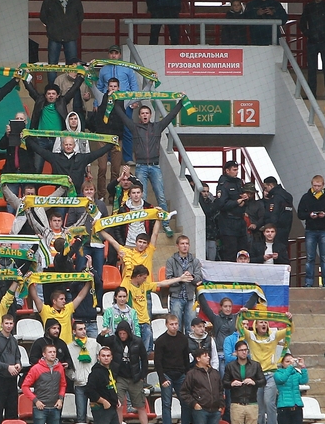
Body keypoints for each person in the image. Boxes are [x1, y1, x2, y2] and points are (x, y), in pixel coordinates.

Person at [117, 100, 186, 236]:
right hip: (141, 166)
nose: (144, 115)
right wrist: (114, 100)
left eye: (147, 113)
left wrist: (181, 102)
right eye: (142, 113)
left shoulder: (158, 126)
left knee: (161, 196)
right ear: (139, 116)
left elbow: (171, 116)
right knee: (141, 197)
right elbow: (122, 116)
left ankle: (166, 224)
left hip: (155, 166)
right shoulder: (135, 127)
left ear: (150, 115)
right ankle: (142, 225)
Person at [241, 315, 293, 424]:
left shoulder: (273, 336)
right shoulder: (251, 336)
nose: (264, 324)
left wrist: (290, 320)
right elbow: (240, 329)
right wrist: (241, 315)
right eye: (261, 322)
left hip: (271, 374)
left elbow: (289, 330)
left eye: (265, 322)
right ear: (256, 325)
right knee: (259, 407)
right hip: (256, 376)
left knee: (269, 403)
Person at [23, 75, 85, 172]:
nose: (51, 95)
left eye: (53, 93)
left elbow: (73, 90)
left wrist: (80, 77)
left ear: (58, 95)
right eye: (49, 94)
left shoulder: (62, 101)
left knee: (58, 169)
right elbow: (31, 89)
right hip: (41, 140)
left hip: (57, 140)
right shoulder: (40, 100)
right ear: (45, 95)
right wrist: (24, 76)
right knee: (37, 168)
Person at [101, 320, 151, 424]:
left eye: (124, 333)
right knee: (118, 405)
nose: (122, 336)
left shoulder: (137, 341)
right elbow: (101, 341)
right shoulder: (114, 340)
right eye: (120, 333)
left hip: (135, 378)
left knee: (140, 406)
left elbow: (144, 359)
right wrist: (102, 334)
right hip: (119, 377)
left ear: (128, 332)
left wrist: (142, 376)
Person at [29, 134, 115, 196]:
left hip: (77, 194)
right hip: (60, 195)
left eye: (70, 144)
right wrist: (27, 139)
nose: (68, 146)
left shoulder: (82, 158)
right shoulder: (55, 157)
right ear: (62, 145)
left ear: (74, 145)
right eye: (66, 144)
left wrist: (111, 144)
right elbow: (40, 151)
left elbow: (98, 153)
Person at [21, 344, 67, 424]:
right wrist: (36, 401)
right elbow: (25, 386)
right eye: (50, 352)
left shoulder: (59, 367)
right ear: (44, 354)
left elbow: (63, 384)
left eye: (54, 352)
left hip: (55, 407)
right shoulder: (36, 368)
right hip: (40, 407)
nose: (53, 354)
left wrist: (60, 399)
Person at [39, 0, 84, 83]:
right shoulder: (49, 0)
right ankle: (52, 88)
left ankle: (71, 88)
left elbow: (80, 16)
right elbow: (43, 16)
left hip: (71, 36)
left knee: (72, 65)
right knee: (52, 65)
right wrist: (52, 27)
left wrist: (71, 26)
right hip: (54, 36)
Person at [153, 314, 190, 424]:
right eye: (171, 324)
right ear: (166, 325)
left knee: (185, 402)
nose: (174, 327)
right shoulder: (161, 341)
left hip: (181, 374)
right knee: (166, 403)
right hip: (167, 374)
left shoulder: (183, 338)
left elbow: (186, 358)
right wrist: (162, 378)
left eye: (176, 324)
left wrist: (187, 374)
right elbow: (157, 362)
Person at [223, 340, 265, 424]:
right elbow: (224, 383)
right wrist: (231, 383)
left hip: (252, 403)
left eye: (245, 350)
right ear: (236, 352)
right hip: (237, 404)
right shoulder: (230, 366)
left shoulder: (255, 365)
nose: (244, 352)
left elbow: (263, 381)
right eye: (241, 350)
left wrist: (254, 382)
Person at [297, 174, 325, 287]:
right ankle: (308, 282)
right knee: (310, 258)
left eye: (319, 186)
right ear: (312, 184)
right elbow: (300, 214)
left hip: (324, 230)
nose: (317, 188)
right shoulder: (306, 197)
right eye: (315, 186)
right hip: (310, 230)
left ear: (323, 185)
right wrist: (309, 215)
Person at [181, 346, 224, 424]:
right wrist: (194, 404)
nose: (208, 357)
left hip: (215, 410)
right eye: (205, 356)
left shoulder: (215, 373)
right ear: (198, 358)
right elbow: (184, 392)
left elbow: (220, 390)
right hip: (201, 410)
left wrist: (220, 405)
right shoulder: (192, 374)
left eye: (208, 355)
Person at [30, 281, 92, 346]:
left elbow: (80, 296)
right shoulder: (46, 310)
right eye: (61, 299)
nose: (64, 301)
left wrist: (89, 282)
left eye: (64, 299)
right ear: (54, 301)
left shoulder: (68, 308)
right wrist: (30, 282)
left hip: (68, 346)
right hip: (51, 346)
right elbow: (35, 297)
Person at [165, 235, 204, 331]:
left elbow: (199, 278)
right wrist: (181, 279)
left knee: (191, 327)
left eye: (187, 243)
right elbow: (168, 279)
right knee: (175, 327)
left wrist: (191, 276)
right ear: (177, 246)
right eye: (182, 243)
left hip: (190, 297)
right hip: (176, 297)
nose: (185, 246)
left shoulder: (195, 261)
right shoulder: (171, 261)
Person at [85, 345, 120, 424]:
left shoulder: (111, 370)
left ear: (111, 357)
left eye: (108, 356)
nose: (106, 358)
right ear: (98, 357)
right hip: (100, 408)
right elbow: (89, 391)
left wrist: (116, 399)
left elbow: (110, 387)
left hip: (112, 407)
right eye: (103, 355)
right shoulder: (95, 373)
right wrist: (103, 401)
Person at [215, 163, 250, 261]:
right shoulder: (223, 185)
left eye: (237, 170)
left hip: (240, 221)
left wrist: (244, 200)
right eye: (234, 170)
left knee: (243, 251)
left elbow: (240, 198)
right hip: (228, 222)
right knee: (230, 251)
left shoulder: (238, 182)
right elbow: (221, 204)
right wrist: (236, 202)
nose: (236, 172)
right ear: (227, 170)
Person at [68, 319, 100, 424]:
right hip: (79, 384)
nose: (84, 331)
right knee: (81, 415)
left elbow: (102, 359)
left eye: (84, 329)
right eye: (80, 329)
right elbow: (67, 367)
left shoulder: (94, 343)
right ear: (74, 332)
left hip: (93, 384)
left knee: (96, 414)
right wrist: (74, 377)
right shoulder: (69, 347)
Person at [273, 352, 307, 424]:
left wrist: (303, 367)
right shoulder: (278, 373)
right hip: (284, 408)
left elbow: (304, 380)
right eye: (287, 362)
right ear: (282, 363)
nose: (289, 363)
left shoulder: (295, 373)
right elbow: (282, 380)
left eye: (291, 361)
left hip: (297, 407)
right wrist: (290, 367)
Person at [261, 177, 294, 249]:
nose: (266, 190)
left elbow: (274, 214)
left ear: (271, 186)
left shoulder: (276, 198)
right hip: (286, 228)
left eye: (266, 187)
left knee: (274, 250)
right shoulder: (287, 196)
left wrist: (268, 226)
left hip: (276, 229)